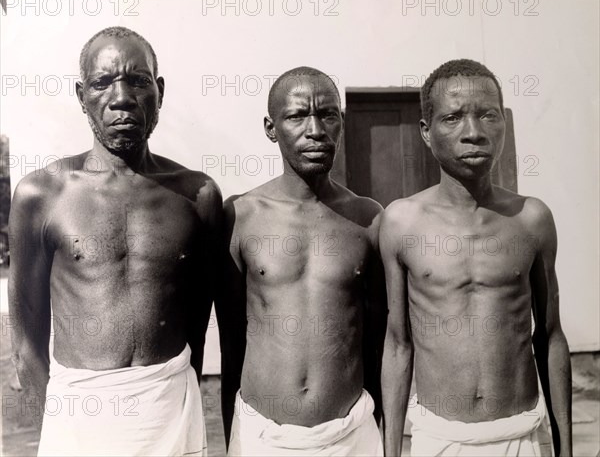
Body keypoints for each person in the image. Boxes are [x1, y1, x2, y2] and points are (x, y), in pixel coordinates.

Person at [8, 26, 221, 456]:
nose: (121, 97)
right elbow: (27, 345)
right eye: (102, 82)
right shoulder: (42, 195)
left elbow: (197, 325)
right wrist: (54, 430)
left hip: (171, 410)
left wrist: (179, 401)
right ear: (81, 95)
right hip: (79, 420)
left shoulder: (197, 196)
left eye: (138, 81)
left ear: (159, 92)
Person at [381, 59, 572, 456]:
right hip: (439, 437)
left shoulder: (531, 218)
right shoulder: (401, 222)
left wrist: (565, 450)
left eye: (488, 116)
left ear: (503, 123)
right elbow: (398, 344)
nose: (473, 133)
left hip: (519, 434)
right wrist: (391, 451)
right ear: (426, 133)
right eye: (453, 118)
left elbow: (550, 336)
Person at [218, 66, 387, 456]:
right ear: (271, 127)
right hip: (263, 435)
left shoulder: (368, 218)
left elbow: (378, 341)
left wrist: (374, 429)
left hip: (351, 433)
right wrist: (232, 437)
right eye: (297, 116)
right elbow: (231, 342)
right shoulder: (241, 216)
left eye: (328, 114)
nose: (315, 130)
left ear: (341, 123)